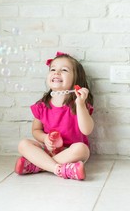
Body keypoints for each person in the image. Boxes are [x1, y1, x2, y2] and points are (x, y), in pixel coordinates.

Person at [15, 52, 94, 180]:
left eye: (64, 70)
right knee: (23, 144)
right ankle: (60, 169)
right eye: (53, 69)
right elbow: (36, 130)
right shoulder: (42, 105)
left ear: (76, 79)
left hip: (70, 151)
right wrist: (45, 138)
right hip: (49, 151)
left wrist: (80, 104)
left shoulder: (79, 103)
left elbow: (87, 130)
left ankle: (38, 165)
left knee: (82, 149)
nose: (56, 73)